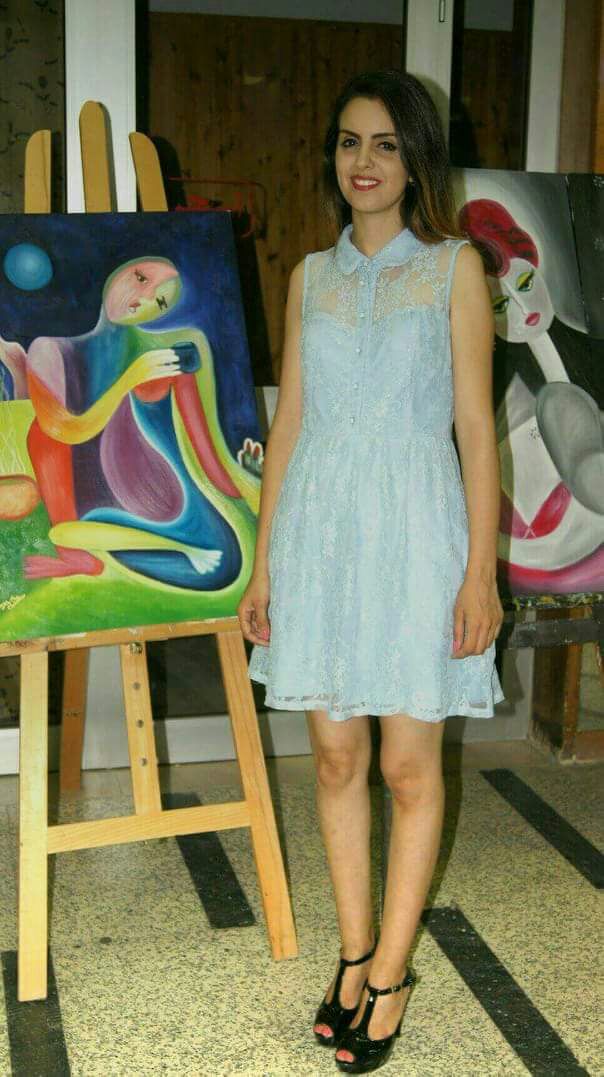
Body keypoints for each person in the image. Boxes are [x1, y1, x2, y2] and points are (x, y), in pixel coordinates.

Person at [238, 69, 505, 1074]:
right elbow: (290, 424)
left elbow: (475, 429)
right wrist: (265, 565)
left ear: (415, 159)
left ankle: (392, 973)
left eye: (386, 144)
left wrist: (479, 573)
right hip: (320, 533)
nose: (364, 162)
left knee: (406, 765)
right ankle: (353, 953)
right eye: (350, 142)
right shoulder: (310, 276)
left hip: (418, 534)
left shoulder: (454, 269)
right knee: (337, 759)